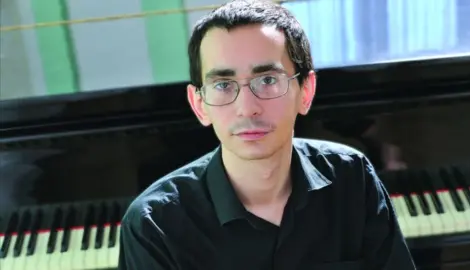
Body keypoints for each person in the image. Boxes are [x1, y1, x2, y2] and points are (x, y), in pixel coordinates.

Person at [118, 0, 416, 269]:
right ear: (199, 105)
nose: (247, 108)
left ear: (306, 92)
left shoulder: (353, 177)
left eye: (268, 80)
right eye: (223, 85)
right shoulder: (152, 224)